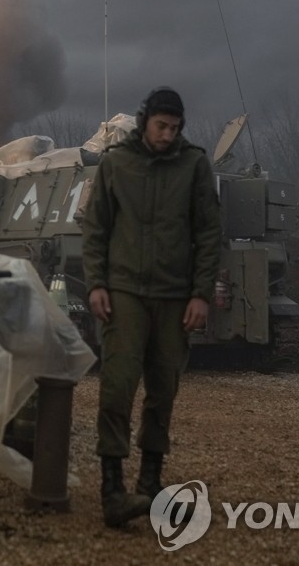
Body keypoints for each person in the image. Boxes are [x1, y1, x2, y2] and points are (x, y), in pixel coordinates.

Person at [80, 86, 222, 527]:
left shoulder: (194, 165)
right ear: (145, 122)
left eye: (175, 128)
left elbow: (208, 233)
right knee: (117, 386)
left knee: (164, 390)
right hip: (124, 291)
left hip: (174, 295)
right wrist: (96, 285)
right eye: (161, 126)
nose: (167, 134)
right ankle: (112, 491)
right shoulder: (116, 164)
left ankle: (150, 483)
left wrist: (200, 293)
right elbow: (96, 228)